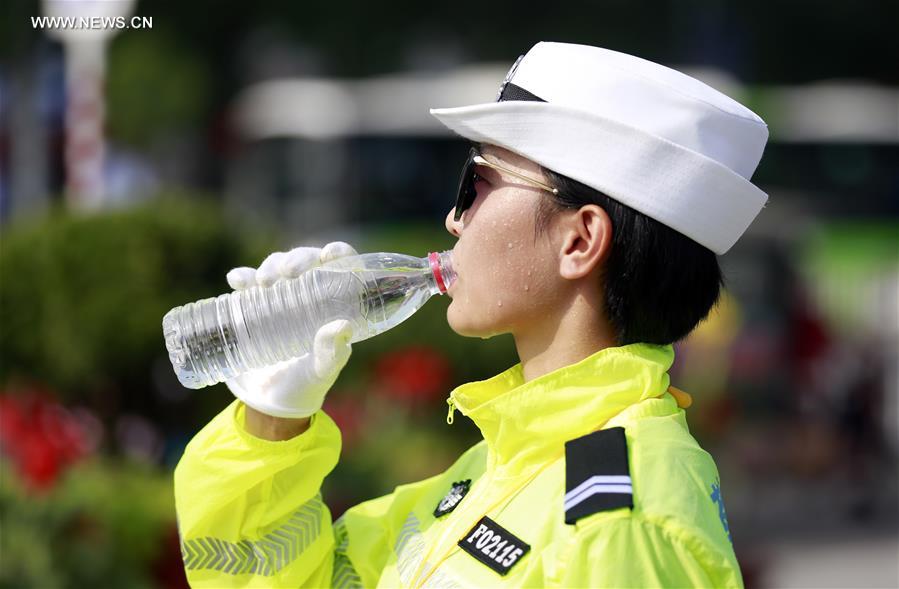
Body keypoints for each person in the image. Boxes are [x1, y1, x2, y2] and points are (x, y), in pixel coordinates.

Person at [174, 41, 768, 588]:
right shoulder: (505, 464)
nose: (455, 219)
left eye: (475, 183)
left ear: (580, 241)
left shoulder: (616, 526)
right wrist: (273, 422)